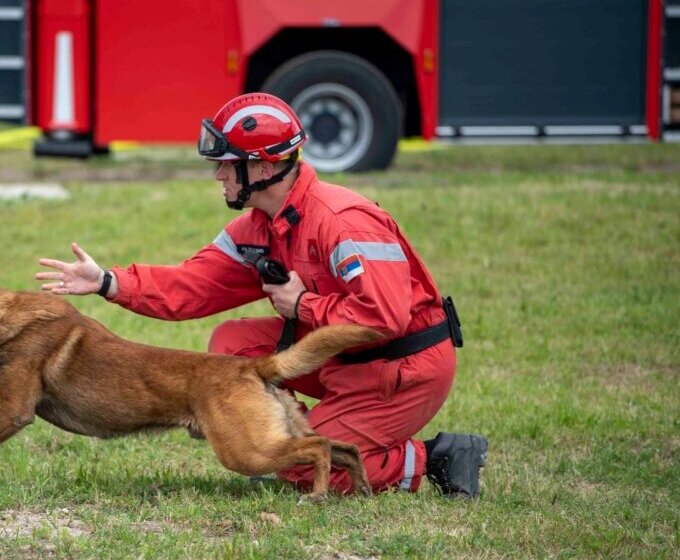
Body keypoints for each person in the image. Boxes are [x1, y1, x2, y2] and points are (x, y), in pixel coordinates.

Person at [35, 93, 487, 498]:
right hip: (340, 354)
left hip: (401, 365)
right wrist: (108, 282)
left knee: (304, 469)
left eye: (227, 163)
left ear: (264, 167)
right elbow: (193, 285)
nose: (218, 175)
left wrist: (303, 305)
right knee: (231, 348)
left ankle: (432, 458)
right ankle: (294, 435)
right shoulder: (259, 224)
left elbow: (384, 316)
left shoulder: (342, 221)